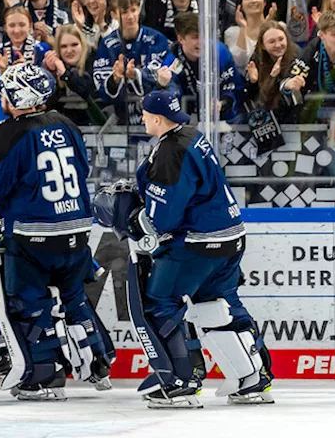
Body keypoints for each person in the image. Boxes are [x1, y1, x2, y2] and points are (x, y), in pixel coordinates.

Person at [0, 62, 112, 400]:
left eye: (6, 92)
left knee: (30, 305)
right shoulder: (66, 124)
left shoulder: (12, 131)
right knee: (74, 298)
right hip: (77, 231)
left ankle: (44, 377)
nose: (1, 97)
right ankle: (98, 363)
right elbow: (78, 167)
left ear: (19, 95)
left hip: (32, 235)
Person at [113, 89, 273, 407]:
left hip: (200, 242)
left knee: (159, 301)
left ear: (157, 118)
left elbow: (166, 216)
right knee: (218, 303)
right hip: (230, 237)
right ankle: (253, 379)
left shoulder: (171, 151)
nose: (142, 118)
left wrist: (137, 218)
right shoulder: (190, 135)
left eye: (145, 114)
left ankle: (178, 381)